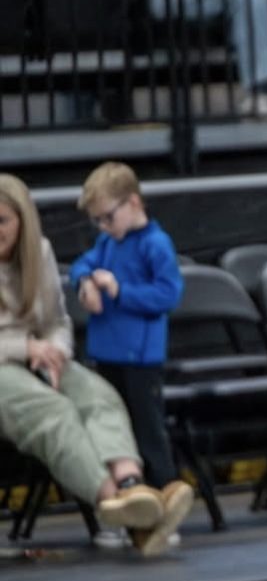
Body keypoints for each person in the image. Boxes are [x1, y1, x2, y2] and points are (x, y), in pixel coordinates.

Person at [0, 174, 193, 557]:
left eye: (2, 221)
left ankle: (131, 484)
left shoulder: (39, 251)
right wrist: (27, 347)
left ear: (23, 220)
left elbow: (57, 320)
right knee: (53, 411)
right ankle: (116, 506)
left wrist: (54, 350)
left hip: (38, 357)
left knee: (98, 395)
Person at [69, 162, 185, 489]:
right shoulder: (108, 243)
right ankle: (127, 499)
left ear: (133, 203)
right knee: (112, 432)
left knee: (147, 433)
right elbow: (82, 264)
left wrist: (120, 291)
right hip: (107, 353)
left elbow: (168, 295)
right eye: (97, 220)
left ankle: (163, 498)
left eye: (108, 217)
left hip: (140, 358)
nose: (103, 226)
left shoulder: (156, 243)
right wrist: (84, 283)